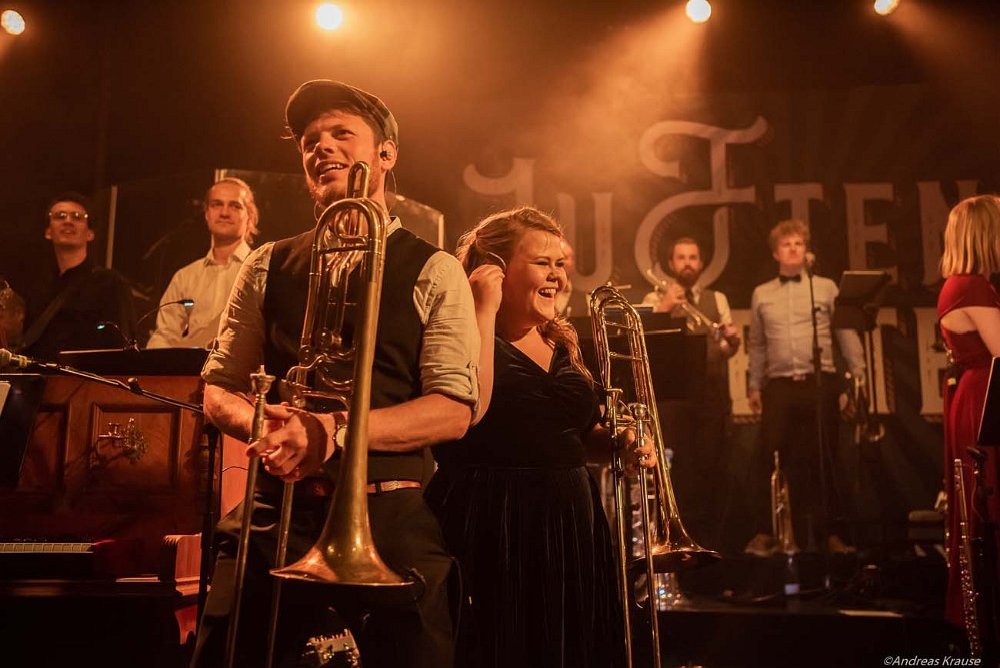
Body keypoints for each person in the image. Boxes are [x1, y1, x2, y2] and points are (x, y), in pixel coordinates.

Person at [191, 80, 480, 668]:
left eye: (341, 133)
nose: (320, 146)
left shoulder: (435, 267)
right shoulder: (267, 262)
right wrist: (265, 427)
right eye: (309, 140)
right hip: (281, 506)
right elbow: (218, 388)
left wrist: (333, 431)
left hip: (388, 510)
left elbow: (453, 410)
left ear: (386, 154)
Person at [425, 206, 653, 668]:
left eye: (560, 264)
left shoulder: (561, 339)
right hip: (496, 518)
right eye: (542, 263)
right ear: (495, 269)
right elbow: (471, 408)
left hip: (571, 521)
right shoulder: (460, 332)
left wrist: (618, 443)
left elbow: (571, 435)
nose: (557, 277)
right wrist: (482, 308)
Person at [745, 219, 865, 555]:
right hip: (779, 385)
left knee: (825, 459)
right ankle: (770, 533)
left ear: (806, 249)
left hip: (820, 381)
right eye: (787, 244)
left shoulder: (824, 287)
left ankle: (830, 534)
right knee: (771, 458)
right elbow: (757, 344)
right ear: (775, 253)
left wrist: (857, 374)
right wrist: (754, 385)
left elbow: (845, 332)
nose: (793, 249)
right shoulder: (762, 293)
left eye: (798, 243)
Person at [641, 237, 741, 548]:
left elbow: (724, 349)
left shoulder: (717, 299)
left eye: (693, 257)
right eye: (681, 257)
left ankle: (707, 541)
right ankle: (672, 538)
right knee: (676, 468)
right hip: (673, 396)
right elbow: (643, 342)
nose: (688, 263)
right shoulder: (654, 296)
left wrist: (733, 342)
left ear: (701, 264)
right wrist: (666, 307)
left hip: (709, 394)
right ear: (672, 264)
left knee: (709, 465)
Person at [936, 194, 1000, 640]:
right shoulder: (973, 287)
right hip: (984, 397)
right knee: (989, 504)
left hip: (975, 395)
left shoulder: (960, 284)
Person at [15, 193, 135, 360]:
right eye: (60, 216)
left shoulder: (110, 284)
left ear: (90, 234)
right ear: (48, 232)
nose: (68, 221)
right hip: (41, 375)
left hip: (89, 375)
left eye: (77, 217)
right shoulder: (36, 288)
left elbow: (123, 348)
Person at [146, 177, 258, 349]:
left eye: (235, 206)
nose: (224, 213)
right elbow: (165, 336)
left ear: (250, 216)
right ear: (206, 214)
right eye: (216, 204)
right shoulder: (185, 277)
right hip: (191, 366)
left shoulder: (261, 272)